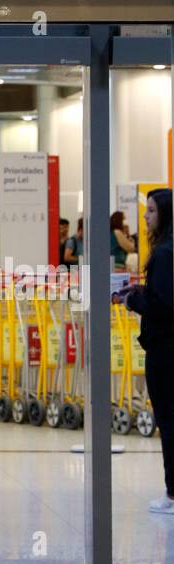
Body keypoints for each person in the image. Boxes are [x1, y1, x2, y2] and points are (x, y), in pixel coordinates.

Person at [125, 188, 174, 512]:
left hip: (165, 350)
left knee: (168, 421)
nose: (145, 216)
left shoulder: (165, 253)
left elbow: (163, 305)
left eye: (151, 211)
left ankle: (172, 494)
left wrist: (133, 300)